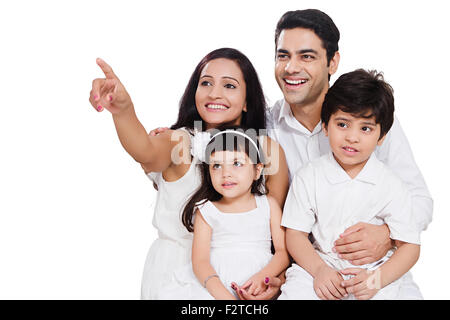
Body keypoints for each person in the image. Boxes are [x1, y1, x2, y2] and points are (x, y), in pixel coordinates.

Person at [88, 48, 289, 300]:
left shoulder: (266, 150)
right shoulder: (180, 141)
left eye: (229, 85)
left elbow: (274, 232)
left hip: (246, 280)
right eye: (205, 83)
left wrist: (274, 280)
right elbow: (145, 149)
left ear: (248, 99)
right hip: (175, 275)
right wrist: (123, 110)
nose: (214, 93)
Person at [266, 9, 432, 298]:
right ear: (329, 128)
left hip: (375, 267)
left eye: (306, 56)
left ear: (333, 62)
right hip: (310, 268)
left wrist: (387, 236)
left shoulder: (374, 117)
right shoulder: (265, 128)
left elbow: (419, 202)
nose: (291, 67)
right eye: (283, 55)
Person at [279, 69, 421, 300]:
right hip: (322, 263)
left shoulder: (392, 185)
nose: (352, 137)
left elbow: (410, 246)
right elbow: (295, 234)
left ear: (382, 136)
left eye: (365, 128)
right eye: (342, 124)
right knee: (296, 293)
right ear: (325, 127)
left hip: (375, 270)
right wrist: (319, 271)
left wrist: (377, 279)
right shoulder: (310, 176)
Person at [157, 129, 289, 299]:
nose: (226, 173)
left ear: (257, 170)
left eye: (237, 164)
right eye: (217, 166)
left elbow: (282, 252)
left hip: (258, 278)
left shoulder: (268, 205)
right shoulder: (207, 211)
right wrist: (224, 297)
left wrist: (262, 278)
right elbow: (200, 262)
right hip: (215, 283)